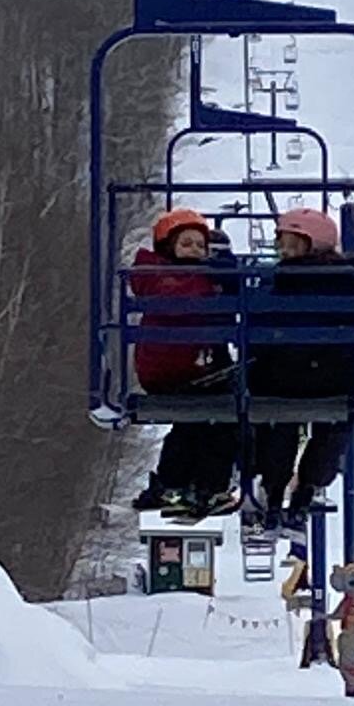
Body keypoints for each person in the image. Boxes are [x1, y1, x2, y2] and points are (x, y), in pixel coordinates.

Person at [248, 208, 354, 530]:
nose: (284, 253)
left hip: (278, 378)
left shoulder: (275, 281)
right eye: (282, 246)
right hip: (333, 379)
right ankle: (308, 487)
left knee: (277, 425)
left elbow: (255, 324)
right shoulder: (347, 281)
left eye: (291, 246)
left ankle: (274, 491)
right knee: (332, 427)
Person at [129, 208, 237, 517]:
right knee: (218, 418)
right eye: (187, 244)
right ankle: (204, 486)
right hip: (176, 369)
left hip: (193, 368)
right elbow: (186, 300)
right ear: (169, 247)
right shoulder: (161, 276)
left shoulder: (189, 278)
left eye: (200, 246)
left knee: (199, 423)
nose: (195, 251)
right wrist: (219, 275)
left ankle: (183, 484)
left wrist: (226, 275)